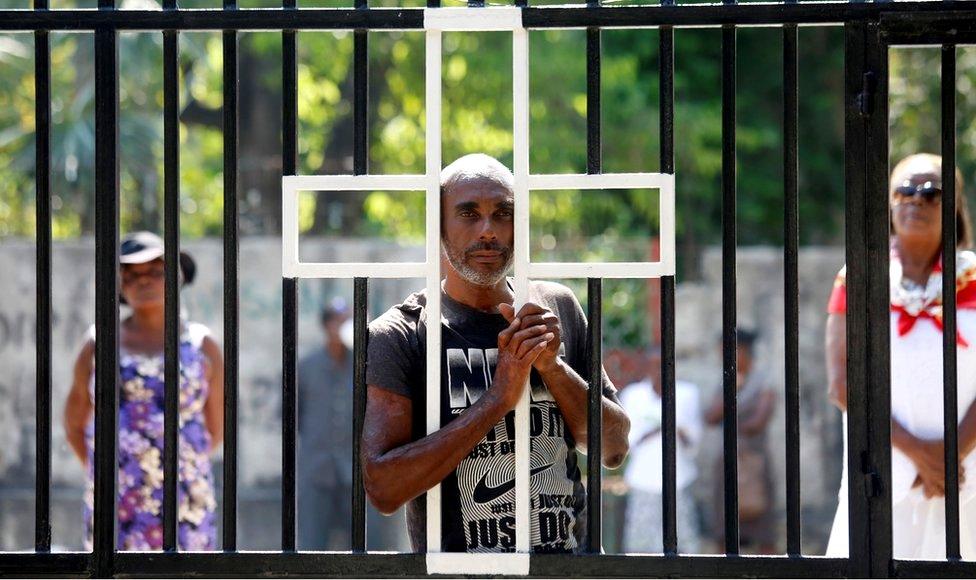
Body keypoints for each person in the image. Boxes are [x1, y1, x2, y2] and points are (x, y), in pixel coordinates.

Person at [361, 153, 631, 553]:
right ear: (439, 226)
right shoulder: (402, 333)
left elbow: (614, 449)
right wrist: (497, 399)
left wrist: (552, 367)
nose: (487, 231)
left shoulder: (556, 308)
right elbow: (382, 489)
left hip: (568, 571)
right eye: (468, 214)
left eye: (502, 214)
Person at [825, 153, 976, 559]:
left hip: (967, 474)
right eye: (904, 191)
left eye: (931, 192)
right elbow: (842, 385)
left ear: (954, 206)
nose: (916, 200)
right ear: (890, 203)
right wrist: (920, 454)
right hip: (883, 473)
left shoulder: (975, 278)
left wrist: (950, 457)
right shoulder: (857, 276)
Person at [63, 231, 224, 551]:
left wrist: (181, 466)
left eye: (155, 271)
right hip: (117, 497)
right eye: (131, 274)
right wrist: (111, 468)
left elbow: (217, 428)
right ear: (120, 284)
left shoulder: (202, 344)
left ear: (176, 277)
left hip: (185, 495)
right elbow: (74, 424)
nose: (144, 281)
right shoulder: (99, 343)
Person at [297, 297, 407, 550]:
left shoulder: (367, 366)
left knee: (366, 547)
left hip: (357, 474)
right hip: (316, 473)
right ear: (327, 326)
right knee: (311, 547)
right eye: (339, 321)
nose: (345, 327)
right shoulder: (307, 368)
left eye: (349, 321)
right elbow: (295, 417)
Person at [619, 347, 703, 553]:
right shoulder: (634, 395)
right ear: (646, 368)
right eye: (654, 366)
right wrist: (658, 428)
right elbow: (627, 440)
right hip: (643, 480)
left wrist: (673, 427)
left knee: (684, 544)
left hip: (678, 480)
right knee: (641, 547)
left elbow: (694, 438)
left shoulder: (686, 394)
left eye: (663, 366)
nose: (658, 371)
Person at [704, 329, 777, 554]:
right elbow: (710, 417)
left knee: (764, 534)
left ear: (743, 351)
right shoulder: (726, 381)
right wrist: (732, 388)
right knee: (723, 532)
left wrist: (729, 417)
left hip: (755, 464)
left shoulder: (764, 381)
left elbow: (757, 423)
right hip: (726, 464)